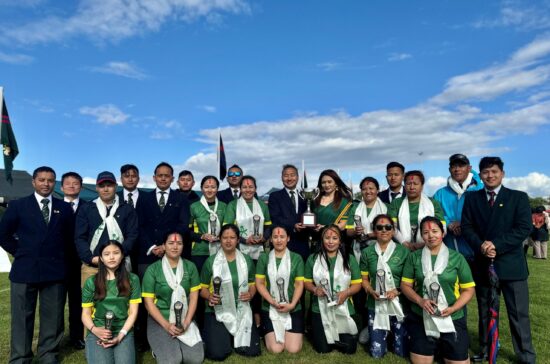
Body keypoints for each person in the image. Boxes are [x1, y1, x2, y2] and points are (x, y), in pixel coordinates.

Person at [462, 156, 535, 363]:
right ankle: (486, 349)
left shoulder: (518, 197)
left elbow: (523, 228)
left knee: (518, 315)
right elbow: (467, 227)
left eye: (494, 171)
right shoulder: (472, 198)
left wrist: (497, 245)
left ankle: (526, 355)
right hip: (484, 263)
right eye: (485, 172)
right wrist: (482, 245)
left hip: (512, 266)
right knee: (485, 312)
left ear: (502, 173)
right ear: (479, 174)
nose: (490, 175)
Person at [0, 166, 75, 364]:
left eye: (50, 180)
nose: (46, 184)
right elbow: (3, 235)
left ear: (54, 183)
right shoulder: (18, 205)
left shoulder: (65, 208)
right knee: (22, 318)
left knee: (53, 318)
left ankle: (48, 354)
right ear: (33, 182)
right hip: (25, 270)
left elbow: (69, 239)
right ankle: (20, 357)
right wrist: (21, 252)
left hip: (55, 271)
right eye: (41, 180)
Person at [401, 216, 475, 364]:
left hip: (452, 316)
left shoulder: (457, 258)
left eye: (435, 231)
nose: (431, 235)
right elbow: (405, 286)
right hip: (421, 315)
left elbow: (468, 290)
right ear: (422, 235)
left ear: (442, 233)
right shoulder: (414, 257)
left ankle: (444, 345)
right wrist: (420, 301)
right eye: (426, 232)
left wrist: (453, 308)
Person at [136, 162, 190, 350]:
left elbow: (183, 225)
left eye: (167, 175)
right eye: (160, 175)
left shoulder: (181, 199)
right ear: (154, 178)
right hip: (149, 255)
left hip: (172, 253)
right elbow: (139, 226)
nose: (164, 178)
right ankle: (144, 337)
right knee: (146, 298)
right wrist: (153, 247)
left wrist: (167, 247)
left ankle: (176, 328)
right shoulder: (143, 199)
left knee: (172, 294)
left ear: (172, 178)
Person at [200, 224, 261, 360]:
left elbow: (252, 284)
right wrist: (210, 296)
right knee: (218, 354)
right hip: (218, 310)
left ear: (238, 240)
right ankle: (224, 337)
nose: (228, 241)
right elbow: (202, 289)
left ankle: (231, 337)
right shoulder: (211, 262)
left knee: (251, 351)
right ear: (220, 240)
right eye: (225, 237)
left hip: (241, 309)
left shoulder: (247, 260)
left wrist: (250, 294)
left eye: (232, 237)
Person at [142, 232, 204, 364]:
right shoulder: (153, 269)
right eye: (171, 243)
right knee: (172, 361)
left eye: (179, 243)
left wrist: (186, 322)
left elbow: (193, 297)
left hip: (184, 317)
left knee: (195, 359)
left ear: (183, 246)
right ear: (163, 246)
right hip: (160, 319)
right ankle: (160, 347)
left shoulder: (190, 267)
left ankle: (177, 343)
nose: (175, 247)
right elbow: (148, 303)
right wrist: (167, 325)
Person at [304, 225, 362, 354]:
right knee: (323, 349)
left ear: (340, 241)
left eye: (334, 238)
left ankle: (339, 336)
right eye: (327, 238)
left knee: (349, 349)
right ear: (322, 239)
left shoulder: (349, 259)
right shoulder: (313, 258)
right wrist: (314, 289)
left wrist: (346, 293)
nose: (330, 242)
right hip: (319, 308)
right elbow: (306, 282)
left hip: (344, 307)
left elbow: (357, 284)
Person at [81, 240, 141, 364]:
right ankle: (91, 346)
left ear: (122, 255)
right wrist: (95, 330)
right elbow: (85, 314)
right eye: (107, 254)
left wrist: (121, 335)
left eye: (116, 253)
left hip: (123, 329)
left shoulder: (133, 279)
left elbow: (133, 312)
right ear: (101, 259)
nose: (112, 257)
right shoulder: (91, 282)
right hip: (98, 329)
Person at [75, 171, 138, 286]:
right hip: (92, 267)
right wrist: (90, 258)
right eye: (102, 186)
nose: (105, 189)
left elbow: (132, 235)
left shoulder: (127, 209)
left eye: (109, 185)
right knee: (91, 302)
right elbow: (80, 237)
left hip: (120, 267)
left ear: (115, 187)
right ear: (96, 188)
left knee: (120, 302)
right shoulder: (87, 209)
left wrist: (119, 256)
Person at [360, 214, 409, 358]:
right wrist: (370, 290)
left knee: (401, 352)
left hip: (398, 302)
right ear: (374, 231)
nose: (384, 230)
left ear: (393, 231)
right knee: (376, 353)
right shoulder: (366, 253)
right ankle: (372, 332)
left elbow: (410, 281)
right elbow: (364, 279)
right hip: (375, 302)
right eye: (379, 227)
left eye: (388, 227)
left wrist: (397, 290)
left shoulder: (404, 252)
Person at [255, 225, 305, 353]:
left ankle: (288, 330)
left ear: (288, 238)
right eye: (275, 237)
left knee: (293, 349)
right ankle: (267, 328)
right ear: (270, 239)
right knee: (276, 349)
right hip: (270, 307)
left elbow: (299, 284)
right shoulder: (264, 258)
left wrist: (292, 304)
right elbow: (259, 283)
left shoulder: (297, 258)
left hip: (292, 307)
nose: (279, 240)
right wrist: (272, 301)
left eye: (282, 237)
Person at [433, 154, 483, 262]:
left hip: (479, 254)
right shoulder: (440, 194)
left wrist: (463, 224)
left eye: (461, 165)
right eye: (454, 166)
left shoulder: (482, 190)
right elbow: (434, 215)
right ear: (449, 169)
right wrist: (448, 224)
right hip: (450, 256)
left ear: (469, 168)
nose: (457, 169)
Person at [61, 171, 87, 350]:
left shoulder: (88, 207)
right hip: (58, 263)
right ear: (61, 187)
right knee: (56, 304)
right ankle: (54, 340)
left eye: (75, 183)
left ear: (81, 186)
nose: (71, 186)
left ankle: (76, 336)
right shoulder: (54, 206)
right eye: (68, 183)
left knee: (78, 302)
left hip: (80, 262)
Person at [388, 170, 444, 251]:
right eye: (408, 184)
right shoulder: (396, 203)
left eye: (415, 184)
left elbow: (442, 227)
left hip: (429, 245)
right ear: (404, 185)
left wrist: (425, 242)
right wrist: (403, 242)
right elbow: (391, 226)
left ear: (422, 186)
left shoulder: (433, 203)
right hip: (401, 247)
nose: (411, 187)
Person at [223, 175, 272, 261]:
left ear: (255, 189)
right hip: (238, 250)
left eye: (251, 187)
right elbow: (227, 230)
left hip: (259, 250)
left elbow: (268, 227)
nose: (248, 190)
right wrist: (245, 240)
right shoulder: (232, 205)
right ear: (240, 189)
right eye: (244, 187)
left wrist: (263, 238)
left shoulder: (262, 205)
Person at [268, 164, 309, 262]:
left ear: (298, 177)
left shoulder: (305, 196)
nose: (289, 178)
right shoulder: (275, 196)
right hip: (282, 245)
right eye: (286, 175)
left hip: (303, 245)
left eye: (292, 175)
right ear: (282, 178)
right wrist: (293, 225)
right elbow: (275, 218)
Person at [189, 175, 227, 273]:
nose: (209, 190)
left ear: (217, 189)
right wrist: (202, 236)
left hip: (221, 249)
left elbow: (228, 228)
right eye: (206, 187)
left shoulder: (224, 206)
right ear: (201, 188)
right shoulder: (194, 207)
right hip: (199, 251)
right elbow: (187, 231)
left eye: (213, 187)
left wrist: (221, 236)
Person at [346, 176, 388, 262]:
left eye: (371, 188)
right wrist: (355, 231)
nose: (368, 192)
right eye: (364, 189)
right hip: (358, 249)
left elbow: (390, 231)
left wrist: (368, 235)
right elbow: (348, 232)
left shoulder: (386, 208)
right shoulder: (355, 207)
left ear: (377, 190)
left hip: (381, 248)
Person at [313, 169, 353, 234]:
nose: (326, 185)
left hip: (334, 240)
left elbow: (343, 225)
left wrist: (324, 227)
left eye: (329, 182)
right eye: (323, 182)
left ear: (336, 183)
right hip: (315, 239)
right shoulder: (314, 200)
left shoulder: (344, 202)